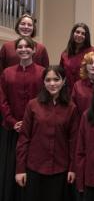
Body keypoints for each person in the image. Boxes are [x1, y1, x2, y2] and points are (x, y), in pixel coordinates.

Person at [15, 65, 79, 201]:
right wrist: (20, 169)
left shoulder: (71, 108)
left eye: (56, 79)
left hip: (60, 170)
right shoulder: (32, 105)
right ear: (43, 82)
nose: (52, 83)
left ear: (64, 81)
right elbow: (24, 138)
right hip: (34, 168)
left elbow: (74, 141)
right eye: (48, 80)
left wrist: (73, 168)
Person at [0, 37, 45, 201]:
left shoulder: (42, 72)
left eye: (27, 46)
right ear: (16, 50)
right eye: (20, 47)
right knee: (11, 170)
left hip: (35, 130)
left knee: (31, 171)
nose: (23, 49)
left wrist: (30, 123)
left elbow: (44, 99)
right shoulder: (7, 72)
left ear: (34, 50)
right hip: (12, 129)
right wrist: (12, 121)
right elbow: (2, 99)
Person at [60, 23, 94, 92]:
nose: (79, 35)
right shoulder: (65, 54)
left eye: (83, 33)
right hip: (68, 91)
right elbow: (61, 74)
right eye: (77, 32)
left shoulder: (93, 52)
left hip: (86, 91)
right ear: (73, 34)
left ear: (86, 36)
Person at [72, 51, 94, 118]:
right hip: (82, 122)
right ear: (85, 65)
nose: (93, 66)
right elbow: (73, 109)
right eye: (90, 63)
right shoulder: (77, 86)